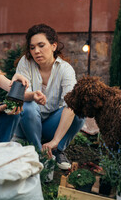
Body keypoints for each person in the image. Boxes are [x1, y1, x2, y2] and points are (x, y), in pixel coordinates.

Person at [15, 24, 85, 170]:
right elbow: (19, 96)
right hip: (26, 124)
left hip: (50, 125)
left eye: (41, 45)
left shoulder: (65, 70)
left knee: (79, 110)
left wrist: (55, 140)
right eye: (32, 47)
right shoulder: (25, 63)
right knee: (29, 105)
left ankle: (57, 149)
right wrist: (32, 96)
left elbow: (70, 105)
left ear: (53, 46)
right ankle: (38, 151)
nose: (36, 51)